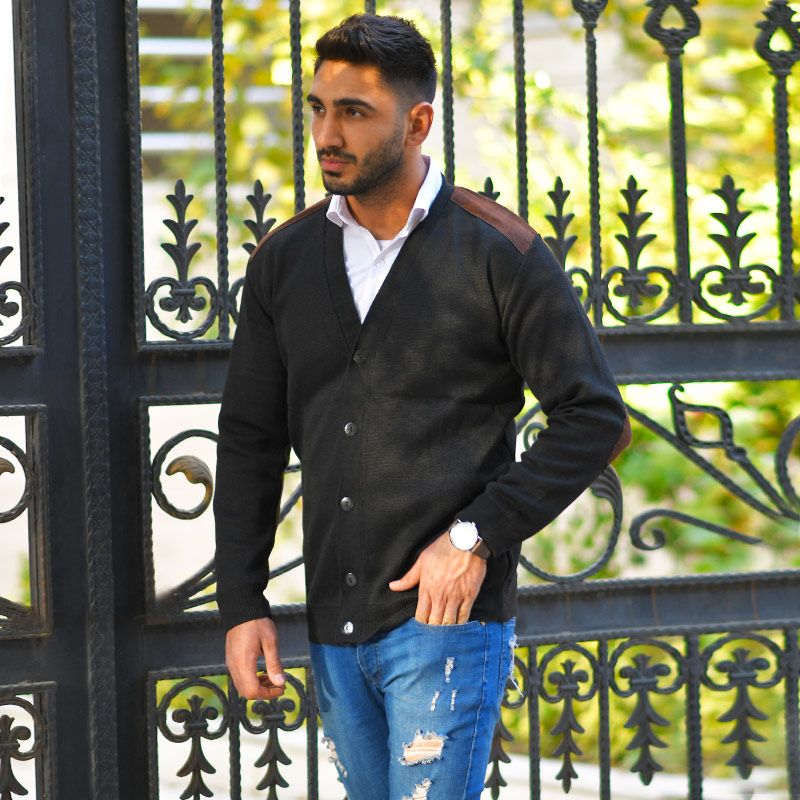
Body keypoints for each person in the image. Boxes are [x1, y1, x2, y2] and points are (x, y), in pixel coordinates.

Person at [214, 13, 630, 800]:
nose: (326, 134)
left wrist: (475, 536)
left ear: (417, 122)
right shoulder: (284, 260)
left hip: (447, 629)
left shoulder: (498, 251)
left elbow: (594, 417)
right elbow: (249, 442)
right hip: (333, 625)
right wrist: (242, 604)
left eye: (354, 112)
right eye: (318, 108)